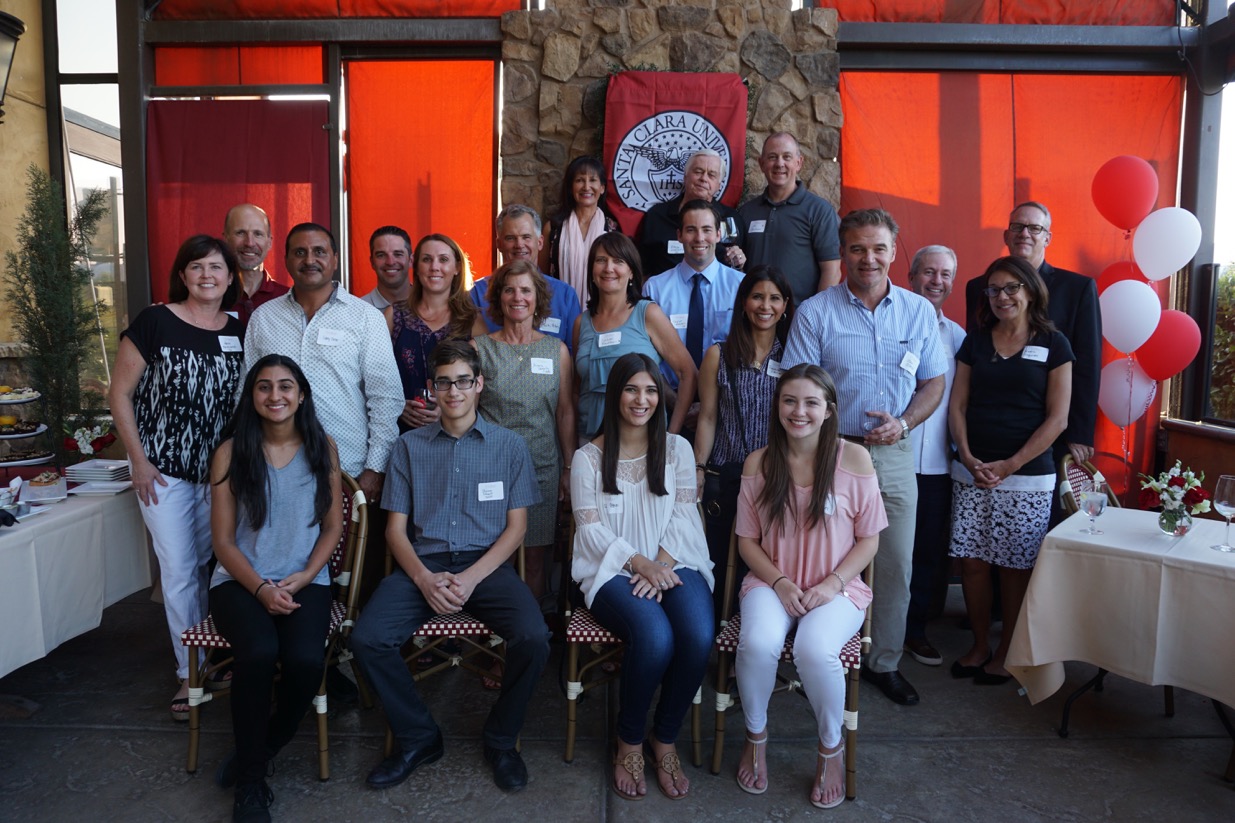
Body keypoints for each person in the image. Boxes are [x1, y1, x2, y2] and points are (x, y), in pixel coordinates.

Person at [351, 341, 549, 794]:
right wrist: (423, 579)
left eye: (463, 380)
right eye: (444, 382)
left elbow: (516, 529)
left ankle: (501, 740)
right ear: (431, 388)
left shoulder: (509, 446)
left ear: (479, 384)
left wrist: (470, 578)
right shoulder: (407, 448)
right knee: (367, 639)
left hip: (487, 566)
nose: (454, 391)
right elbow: (395, 532)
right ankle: (419, 737)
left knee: (535, 638)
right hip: (425, 563)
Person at [781, 208, 946, 706]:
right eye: (857, 248)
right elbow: (796, 386)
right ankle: (813, 652)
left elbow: (934, 381)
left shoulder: (918, 312)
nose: (868, 258)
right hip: (828, 453)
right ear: (843, 252)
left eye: (878, 248)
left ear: (894, 251)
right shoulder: (815, 312)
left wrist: (906, 421)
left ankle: (884, 662)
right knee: (821, 558)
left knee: (895, 561)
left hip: (894, 453)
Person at [733, 364, 884, 808]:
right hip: (771, 580)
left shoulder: (852, 458)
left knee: (815, 650)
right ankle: (756, 736)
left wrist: (832, 584)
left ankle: (830, 747)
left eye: (811, 402)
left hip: (836, 587)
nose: (799, 411)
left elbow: (869, 538)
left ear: (829, 410)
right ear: (777, 406)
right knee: (758, 643)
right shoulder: (759, 462)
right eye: (789, 401)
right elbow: (747, 542)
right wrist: (778, 582)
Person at [109, 234, 245, 720]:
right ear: (183, 274)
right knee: (181, 568)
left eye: (216, 267)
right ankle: (189, 673)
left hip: (218, 475)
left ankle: (212, 653)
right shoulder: (155, 321)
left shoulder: (239, 329)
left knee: (214, 564)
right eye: (197, 266)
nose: (207, 275)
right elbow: (119, 394)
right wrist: (138, 459)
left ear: (231, 277)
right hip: (162, 471)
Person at [570, 352, 714, 801]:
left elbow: (685, 516)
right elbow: (591, 530)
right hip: (610, 569)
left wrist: (660, 565)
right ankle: (629, 739)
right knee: (654, 637)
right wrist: (639, 563)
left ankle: (663, 738)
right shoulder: (587, 459)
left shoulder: (678, 449)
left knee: (697, 633)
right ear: (616, 394)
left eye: (651, 390)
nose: (642, 399)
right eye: (632, 389)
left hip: (676, 559)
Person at [207, 354, 342, 823]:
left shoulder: (322, 446)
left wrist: (305, 577)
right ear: (252, 397)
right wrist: (261, 589)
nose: (275, 396)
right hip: (240, 583)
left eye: (286, 386)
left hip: (304, 580)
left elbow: (332, 527)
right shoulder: (230, 452)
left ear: (301, 394)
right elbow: (223, 541)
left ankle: (262, 748)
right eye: (264, 387)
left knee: (306, 661)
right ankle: (250, 785)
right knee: (259, 654)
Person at [949, 256, 1072, 684]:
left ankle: (1007, 650)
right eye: (994, 290)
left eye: (1011, 288)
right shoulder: (976, 341)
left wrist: (1012, 464)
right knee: (973, 563)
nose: (1002, 297)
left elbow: (1058, 419)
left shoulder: (1055, 345)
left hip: (1027, 475)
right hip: (973, 470)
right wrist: (965, 455)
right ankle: (980, 644)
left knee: (1014, 565)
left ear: (1030, 290)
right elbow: (958, 404)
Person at [244, 222, 402, 505]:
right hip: (273, 469)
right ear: (286, 260)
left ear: (335, 259)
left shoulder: (365, 318)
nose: (309, 260)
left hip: (347, 471)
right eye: (300, 252)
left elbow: (385, 399)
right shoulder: (263, 318)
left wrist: (375, 468)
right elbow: (246, 395)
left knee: (346, 550)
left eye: (319, 251)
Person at [963, 202, 1100, 473]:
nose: (1024, 233)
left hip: (1054, 429)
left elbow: (1088, 362)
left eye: (1034, 228)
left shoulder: (1078, 288)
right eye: (1017, 227)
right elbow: (974, 353)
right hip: (987, 432)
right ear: (1006, 235)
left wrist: (1080, 431)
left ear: (1047, 238)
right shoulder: (978, 287)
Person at [694, 265, 795, 618]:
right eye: (757, 296)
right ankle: (716, 639)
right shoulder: (718, 355)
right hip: (725, 476)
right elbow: (707, 416)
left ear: (785, 306)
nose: (765, 306)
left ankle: (752, 639)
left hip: (776, 478)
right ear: (743, 303)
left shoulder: (794, 357)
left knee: (768, 563)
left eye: (774, 298)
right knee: (719, 560)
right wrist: (698, 468)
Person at [475, 259, 576, 606]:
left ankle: (527, 647)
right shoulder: (479, 350)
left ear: (538, 298)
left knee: (535, 560)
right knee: (495, 558)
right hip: (490, 470)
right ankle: (497, 643)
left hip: (542, 469)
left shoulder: (556, 350)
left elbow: (565, 411)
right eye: (509, 290)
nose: (518, 297)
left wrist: (567, 467)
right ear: (499, 298)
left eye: (525, 290)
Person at [903, 246, 966, 667]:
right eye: (929, 272)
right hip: (891, 459)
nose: (936, 281)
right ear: (911, 276)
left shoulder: (958, 338)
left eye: (945, 274)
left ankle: (915, 631)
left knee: (926, 552)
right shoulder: (894, 321)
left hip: (938, 467)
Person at [573, 232, 697, 441]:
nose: (608, 268)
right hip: (590, 441)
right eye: (601, 260)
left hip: (644, 442)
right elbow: (576, 389)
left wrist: (672, 436)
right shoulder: (581, 323)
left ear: (631, 272)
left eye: (618, 261)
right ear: (592, 271)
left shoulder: (648, 314)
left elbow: (688, 374)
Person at [387, 233, 486, 431]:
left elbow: (480, 384)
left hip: (454, 432)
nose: (434, 267)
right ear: (416, 266)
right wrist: (396, 406)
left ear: (457, 267)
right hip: (401, 432)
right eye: (427, 259)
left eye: (443, 259)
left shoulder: (472, 320)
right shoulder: (393, 315)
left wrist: (450, 409)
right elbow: (376, 376)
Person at [643, 200, 745, 379]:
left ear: (718, 234)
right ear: (679, 235)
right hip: (669, 397)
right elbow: (646, 355)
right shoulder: (655, 289)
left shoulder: (740, 286)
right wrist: (674, 401)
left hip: (724, 397)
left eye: (707, 230)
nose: (699, 238)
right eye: (691, 230)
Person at [739, 133, 842, 303]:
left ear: (799, 163)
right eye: (772, 157)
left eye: (786, 157)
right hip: (754, 318)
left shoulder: (819, 211)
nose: (779, 164)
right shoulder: (747, 212)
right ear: (761, 164)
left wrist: (815, 316)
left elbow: (832, 271)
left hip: (799, 319)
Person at [470, 205, 582, 352]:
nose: (519, 245)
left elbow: (574, 355)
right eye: (510, 238)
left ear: (540, 242)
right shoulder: (477, 294)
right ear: (499, 244)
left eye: (526, 237)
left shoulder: (565, 295)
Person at [637, 149, 747, 277]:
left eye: (711, 175)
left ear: (719, 185)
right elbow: (642, 267)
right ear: (685, 177)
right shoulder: (657, 216)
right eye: (698, 172)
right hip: (665, 294)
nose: (704, 178)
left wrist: (738, 263)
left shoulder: (731, 219)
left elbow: (738, 268)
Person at [539, 156, 620, 306]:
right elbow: (543, 276)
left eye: (593, 180)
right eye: (580, 180)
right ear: (570, 188)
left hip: (601, 311)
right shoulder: (553, 229)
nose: (586, 187)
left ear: (602, 187)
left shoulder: (613, 230)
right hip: (559, 308)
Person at [223, 203, 288, 328]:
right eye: (241, 233)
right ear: (226, 238)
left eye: (258, 234)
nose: (250, 243)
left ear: (269, 242)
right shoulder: (211, 294)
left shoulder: (287, 298)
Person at [360, 225, 412, 311]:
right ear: (372, 262)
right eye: (381, 255)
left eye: (398, 254)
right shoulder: (358, 311)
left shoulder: (432, 305)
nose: (390, 262)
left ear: (411, 260)